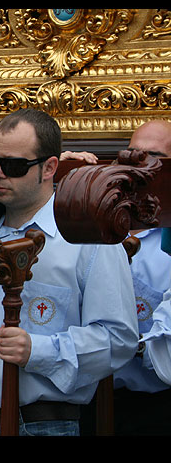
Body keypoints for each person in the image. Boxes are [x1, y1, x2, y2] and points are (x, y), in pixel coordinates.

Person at [0, 108, 138, 436]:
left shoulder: (87, 239)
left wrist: (38, 351)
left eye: (14, 166)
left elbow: (118, 339)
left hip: (40, 424)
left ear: (49, 167)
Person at [99, 119, 171, 435]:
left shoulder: (168, 241)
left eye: (152, 156)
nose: (137, 166)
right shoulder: (96, 221)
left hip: (156, 407)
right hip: (93, 401)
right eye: (131, 154)